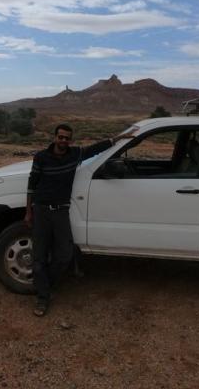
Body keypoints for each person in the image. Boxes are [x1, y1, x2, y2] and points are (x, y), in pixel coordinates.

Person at [25, 123, 135, 316]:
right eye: (61, 137)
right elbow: (31, 185)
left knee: (65, 254)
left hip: (61, 212)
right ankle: (43, 298)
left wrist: (118, 139)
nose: (64, 141)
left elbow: (94, 149)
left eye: (67, 138)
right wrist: (28, 212)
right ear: (54, 137)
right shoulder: (41, 157)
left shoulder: (74, 155)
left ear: (71, 140)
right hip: (41, 211)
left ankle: (44, 284)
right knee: (39, 257)